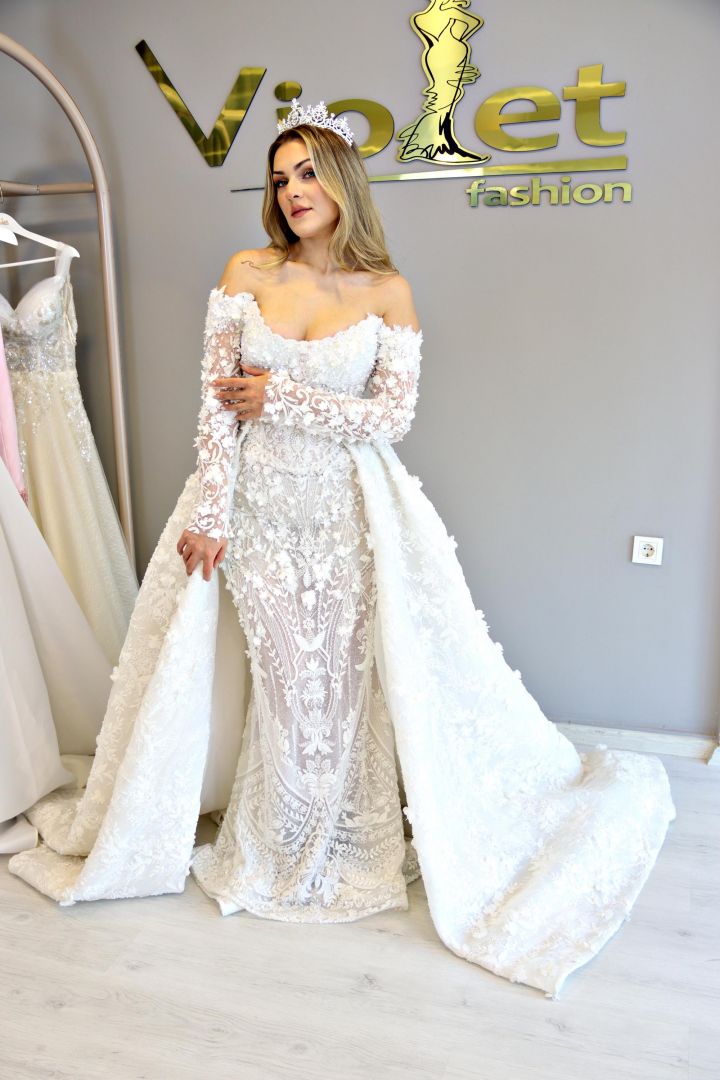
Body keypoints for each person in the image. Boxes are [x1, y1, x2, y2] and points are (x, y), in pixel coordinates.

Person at [7, 101, 676, 1000]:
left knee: (347, 680)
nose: (293, 191)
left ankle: (352, 842)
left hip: (348, 514)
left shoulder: (387, 290)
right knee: (287, 680)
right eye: (280, 178)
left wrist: (279, 395)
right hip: (260, 514)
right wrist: (213, 511)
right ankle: (282, 843)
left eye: (308, 172)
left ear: (343, 182)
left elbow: (390, 418)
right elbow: (216, 406)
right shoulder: (245, 272)